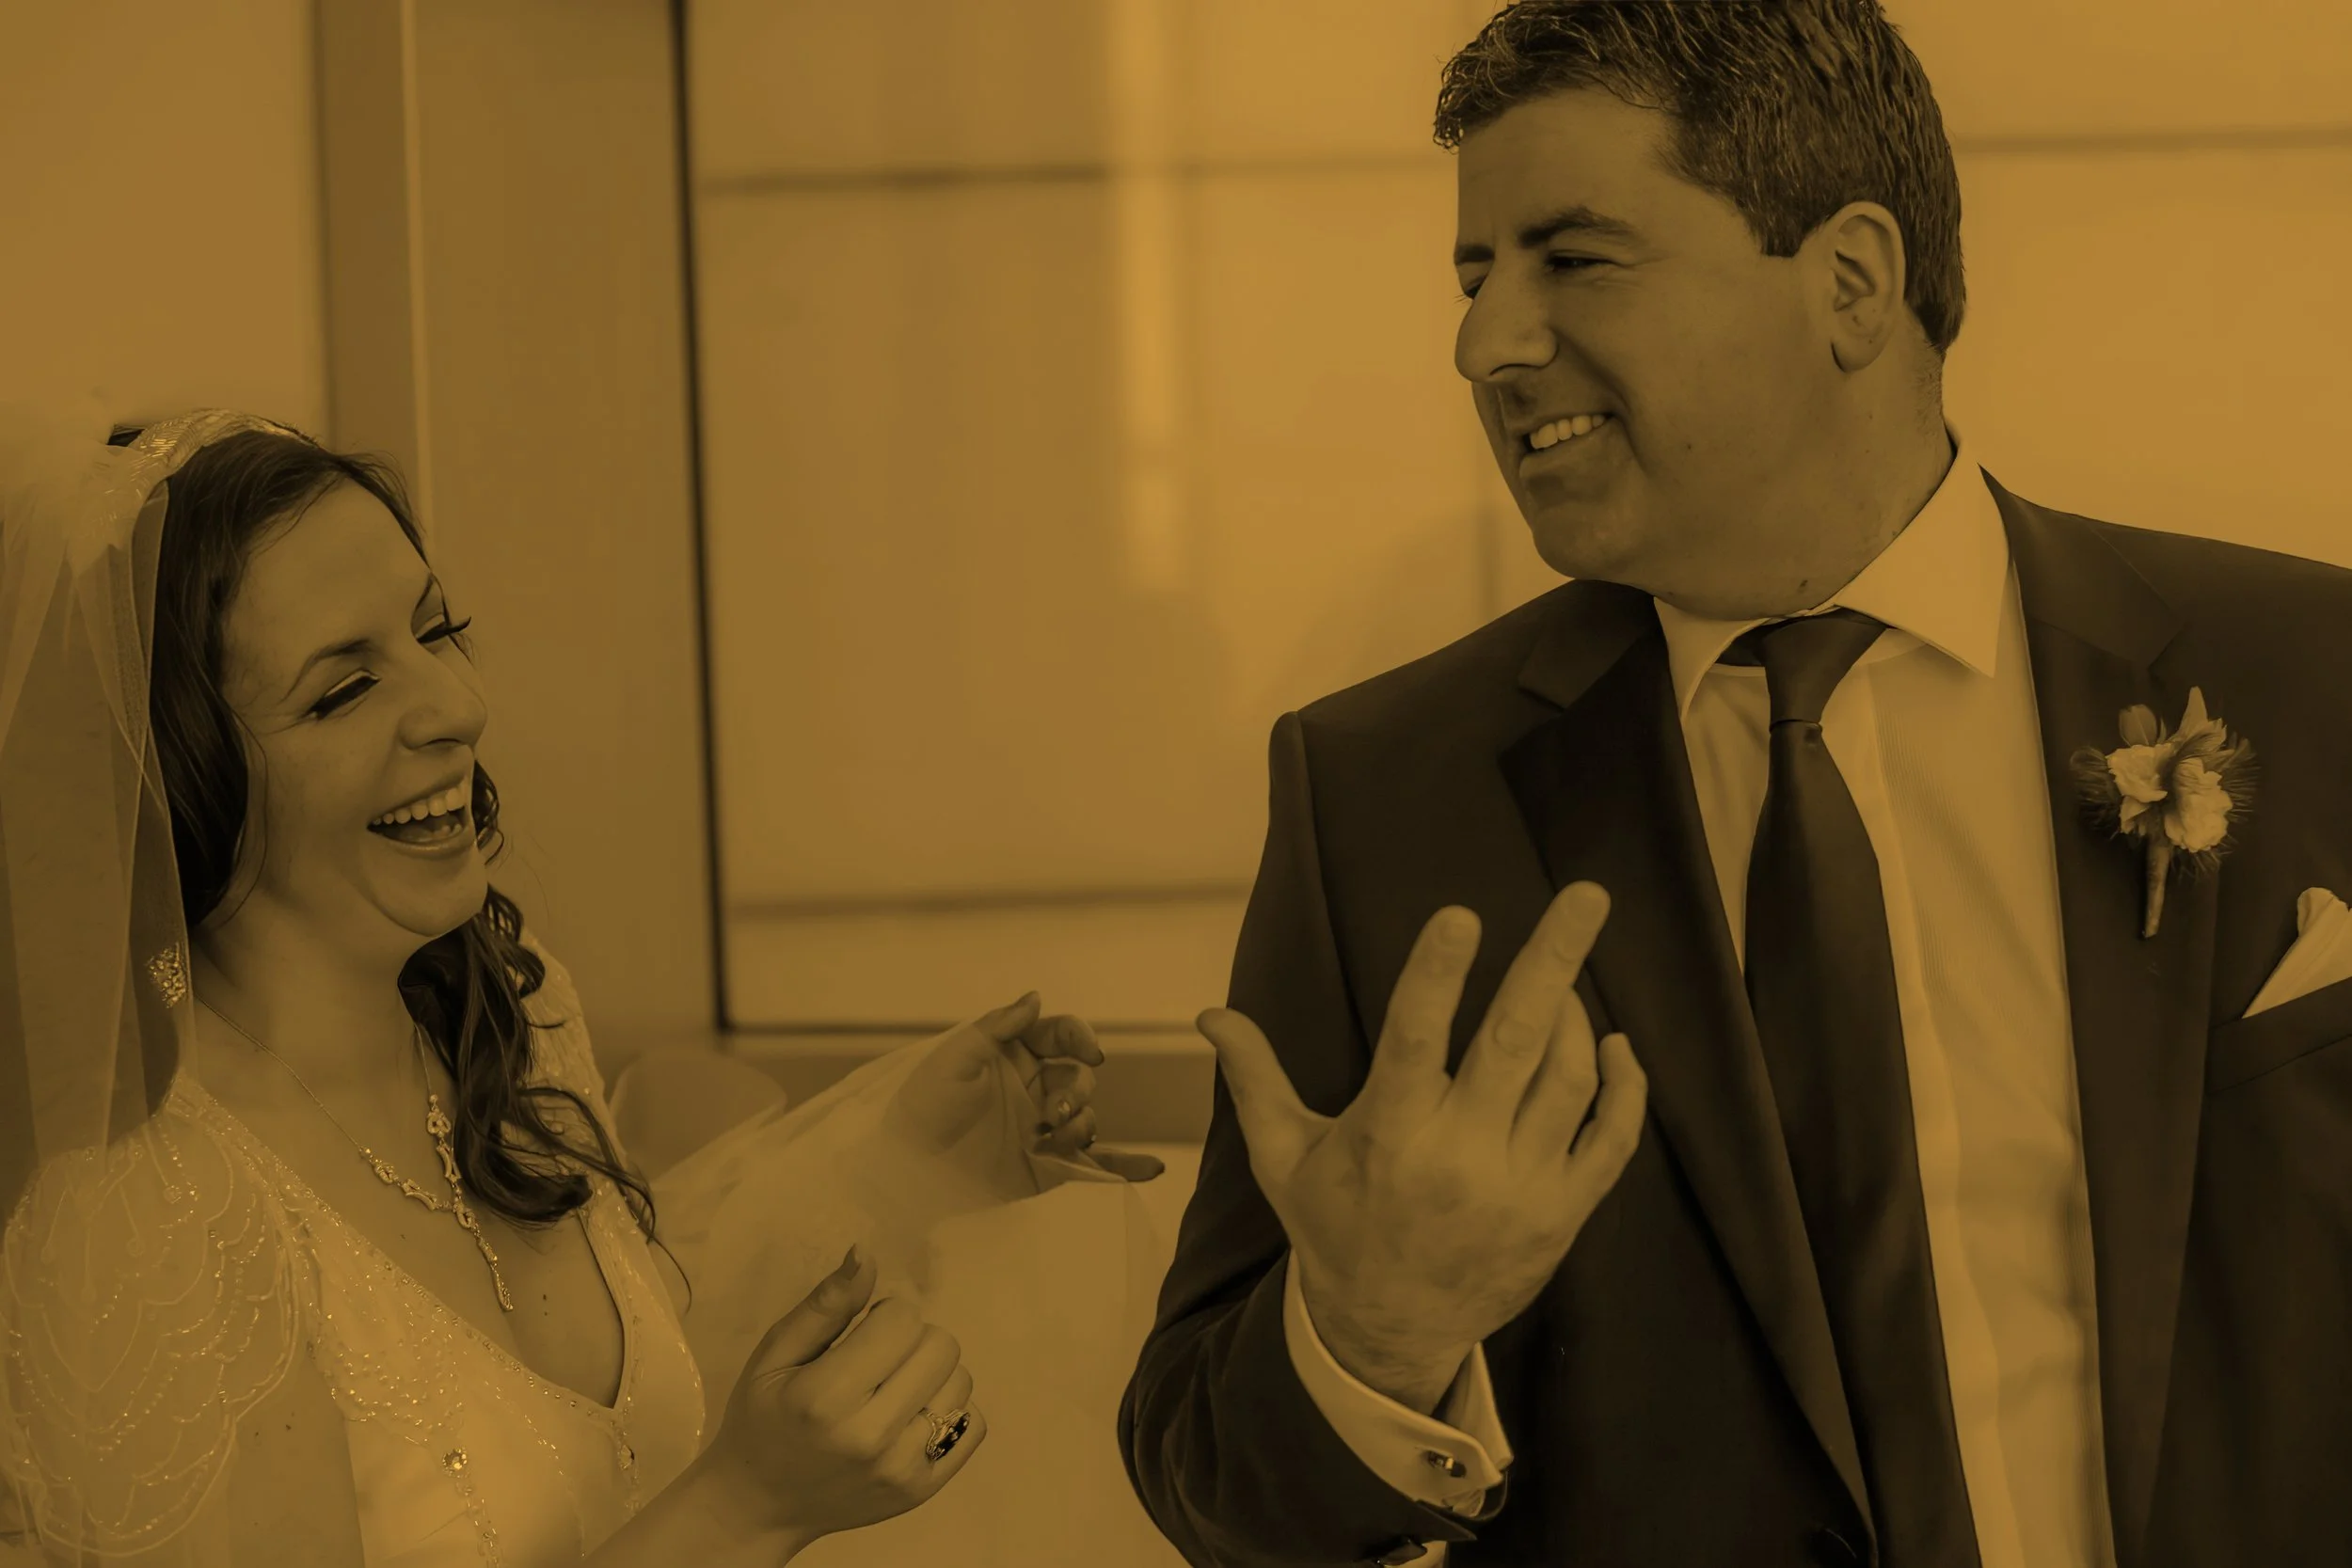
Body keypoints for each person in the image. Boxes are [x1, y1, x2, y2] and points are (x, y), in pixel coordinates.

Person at [1120, 4, 2352, 1566]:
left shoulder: (2316, 683)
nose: (1486, 342)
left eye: (1573, 260)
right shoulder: (1385, 795)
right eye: (1475, 276)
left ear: (1850, 282)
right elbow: (1205, 1482)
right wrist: (1370, 1336)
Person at [0, 405, 1171, 1567]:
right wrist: (746, 1511)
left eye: (436, 629)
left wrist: (907, 1152)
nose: (460, 708)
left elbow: (620, 1403)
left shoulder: (514, 1008)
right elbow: (680, 1490)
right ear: (176, 785)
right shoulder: (132, 1213)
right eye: (343, 691)